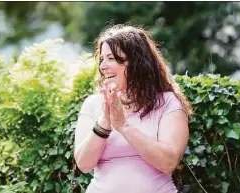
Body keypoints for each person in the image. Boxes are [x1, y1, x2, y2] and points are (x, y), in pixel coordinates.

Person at [74, 24, 193, 193]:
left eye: (112, 58)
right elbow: (84, 165)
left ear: (136, 63)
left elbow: (168, 163)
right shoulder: (92, 105)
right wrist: (104, 122)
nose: (103, 66)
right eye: (102, 59)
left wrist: (123, 126)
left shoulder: (168, 102)